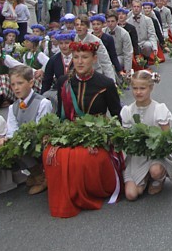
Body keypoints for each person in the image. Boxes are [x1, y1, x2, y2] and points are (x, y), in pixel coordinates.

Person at [45, 41, 123, 218]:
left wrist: (114, 137)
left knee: (81, 156)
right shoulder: (64, 83)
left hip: (97, 133)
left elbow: (117, 115)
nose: (79, 61)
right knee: (53, 153)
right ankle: (63, 191)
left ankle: (86, 192)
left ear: (94, 59)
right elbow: (60, 114)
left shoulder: (106, 83)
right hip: (70, 130)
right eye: (76, 57)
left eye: (85, 57)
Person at [121, 70, 172, 200]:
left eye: (142, 88)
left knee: (156, 171)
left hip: (157, 153)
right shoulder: (127, 111)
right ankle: (143, 177)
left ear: (151, 88)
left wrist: (160, 145)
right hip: (138, 155)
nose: (138, 92)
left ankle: (158, 177)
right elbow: (126, 137)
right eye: (135, 88)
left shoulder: (159, 109)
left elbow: (167, 136)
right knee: (131, 195)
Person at [0, 66, 52, 194]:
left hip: (40, 141)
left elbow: (41, 129)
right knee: (7, 146)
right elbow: (12, 131)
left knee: (21, 146)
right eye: (13, 84)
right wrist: (5, 139)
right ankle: (34, 172)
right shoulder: (13, 107)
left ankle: (42, 176)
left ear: (30, 83)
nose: (16, 88)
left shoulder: (43, 103)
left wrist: (21, 140)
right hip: (24, 141)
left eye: (20, 83)